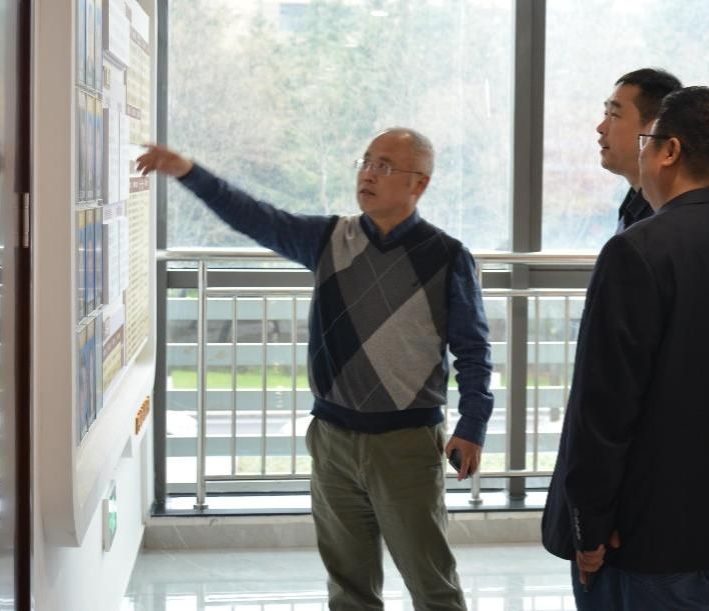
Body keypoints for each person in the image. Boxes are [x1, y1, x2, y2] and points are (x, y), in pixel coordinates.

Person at [136, 129, 493, 611]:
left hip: (406, 444)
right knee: (348, 588)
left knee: (432, 585)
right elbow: (252, 216)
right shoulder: (328, 239)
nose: (369, 174)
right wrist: (187, 171)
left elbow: (473, 349)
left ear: (419, 184)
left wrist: (472, 424)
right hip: (332, 441)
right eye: (366, 162)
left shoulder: (446, 256)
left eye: (385, 166)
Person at [541, 86, 709, 610]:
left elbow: (603, 408)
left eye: (646, 140)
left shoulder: (636, 252)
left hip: (651, 534)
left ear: (670, 151)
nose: (641, 153)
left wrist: (588, 524)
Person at [596, 68, 682, 232]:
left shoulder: (669, 220)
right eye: (606, 113)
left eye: (614, 115)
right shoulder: (634, 201)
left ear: (655, 128)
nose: (600, 128)